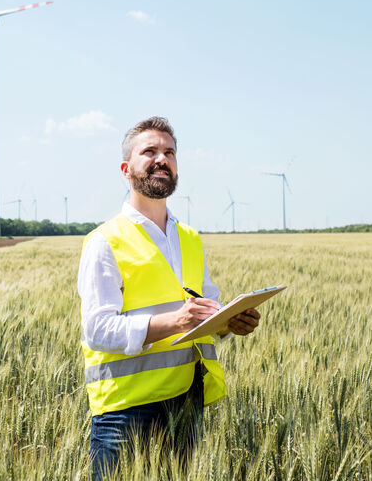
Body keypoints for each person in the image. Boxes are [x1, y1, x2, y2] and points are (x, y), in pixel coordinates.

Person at [77, 116, 261, 480]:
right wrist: (175, 322)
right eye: (150, 151)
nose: (162, 158)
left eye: (170, 152)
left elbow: (205, 305)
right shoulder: (105, 241)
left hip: (187, 400)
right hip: (127, 410)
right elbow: (97, 330)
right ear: (126, 169)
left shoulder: (190, 238)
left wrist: (229, 322)